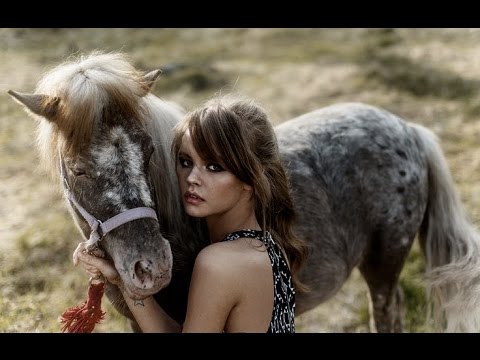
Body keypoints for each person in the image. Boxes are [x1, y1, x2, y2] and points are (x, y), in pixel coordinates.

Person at [73, 93, 309, 333]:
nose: (192, 178)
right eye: (185, 161)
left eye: (214, 167)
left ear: (252, 178)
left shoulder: (218, 262)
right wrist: (121, 280)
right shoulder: (269, 245)